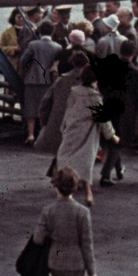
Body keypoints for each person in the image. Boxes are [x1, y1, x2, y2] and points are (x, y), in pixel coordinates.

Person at [56, 65, 116, 206]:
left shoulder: (74, 92)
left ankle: (62, 191)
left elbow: (68, 110)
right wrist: (112, 135)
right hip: (87, 132)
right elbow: (103, 119)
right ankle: (88, 193)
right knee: (86, 162)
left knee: (66, 158)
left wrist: (63, 127)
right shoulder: (95, 97)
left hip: (71, 129)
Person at [100, 39, 138, 184]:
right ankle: (106, 174)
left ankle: (119, 169)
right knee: (119, 141)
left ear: (120, 52)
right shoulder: (135, 73)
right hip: (126, 110)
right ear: (134, 54)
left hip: (108, 106)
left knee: (112, 139)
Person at [19, 21, 63, 145]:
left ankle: (31, 135)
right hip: (48, 80)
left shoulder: (33, 45)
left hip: (32, 79)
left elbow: (23, 60)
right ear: (52, 32)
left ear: (39, 31)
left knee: (31, 108)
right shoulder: (57, 47)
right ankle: (43, 134)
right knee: (45, 108)